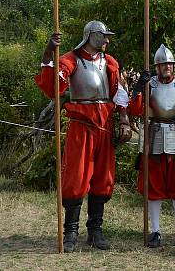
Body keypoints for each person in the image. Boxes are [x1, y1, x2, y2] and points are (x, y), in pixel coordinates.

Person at [34, 21, 132, 252]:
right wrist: (49, 50)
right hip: (81, 126)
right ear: (91, 36)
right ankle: (70, 232)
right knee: (76, 177)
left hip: (105, 126)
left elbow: (119, 92)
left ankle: (95, 231)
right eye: (103, 36)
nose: (107, 41)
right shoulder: (71, 59)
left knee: (103, 178)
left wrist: (125, 120)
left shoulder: (109, 62)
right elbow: (52, 86)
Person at [128, 44, 175, 248]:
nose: (167, 67)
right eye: (163, 64)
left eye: (169, 64)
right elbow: (136, 109)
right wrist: (138, 89)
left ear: (173, 66)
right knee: (154, 187)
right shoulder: (149, 85)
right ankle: (156, 230)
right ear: (157, 66)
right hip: (155, 135)